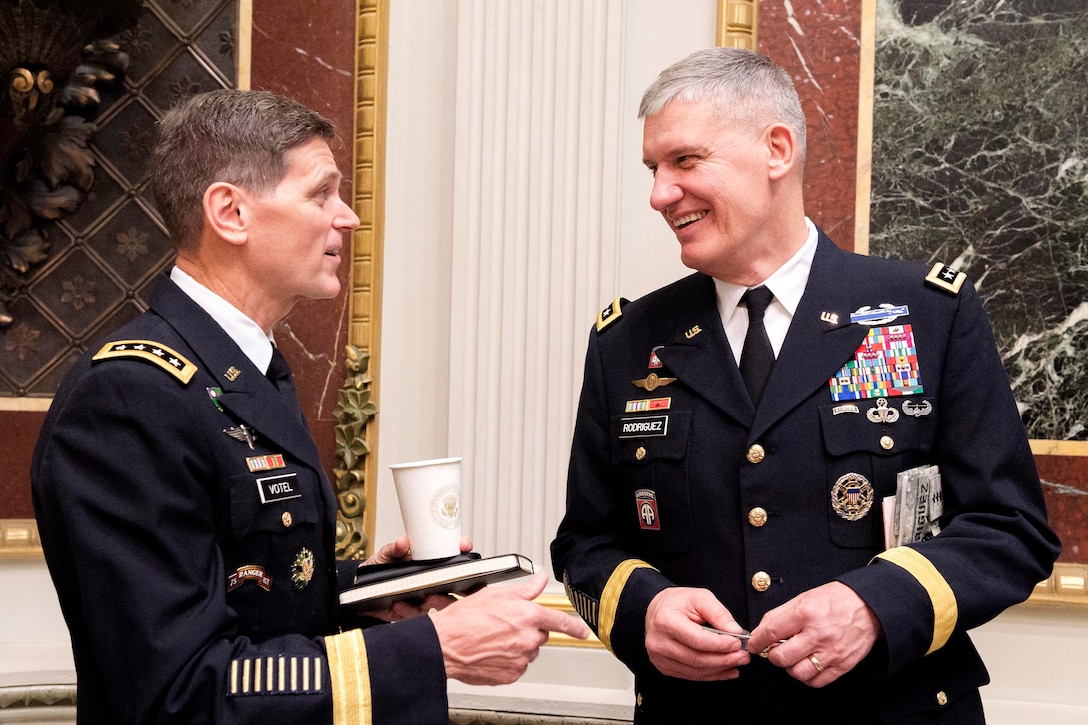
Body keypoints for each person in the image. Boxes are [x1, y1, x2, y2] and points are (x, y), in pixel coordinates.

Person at [31, 88, 589, 724]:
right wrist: (435, 648)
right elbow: (177, 689)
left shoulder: (244, 367)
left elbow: (254, 595)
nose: (347, 217)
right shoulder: (131, 396)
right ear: (230, 212)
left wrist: (368, 595)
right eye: (321, 193)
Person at [550, 47, 1059, 724]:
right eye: (653, 168)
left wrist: (877, 604)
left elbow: (1012, 529)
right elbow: (585, 543)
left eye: (685, 161)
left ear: (777, 149)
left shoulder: (929, 312)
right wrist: (644, 607)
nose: (659, 193)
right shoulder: (628, 342)